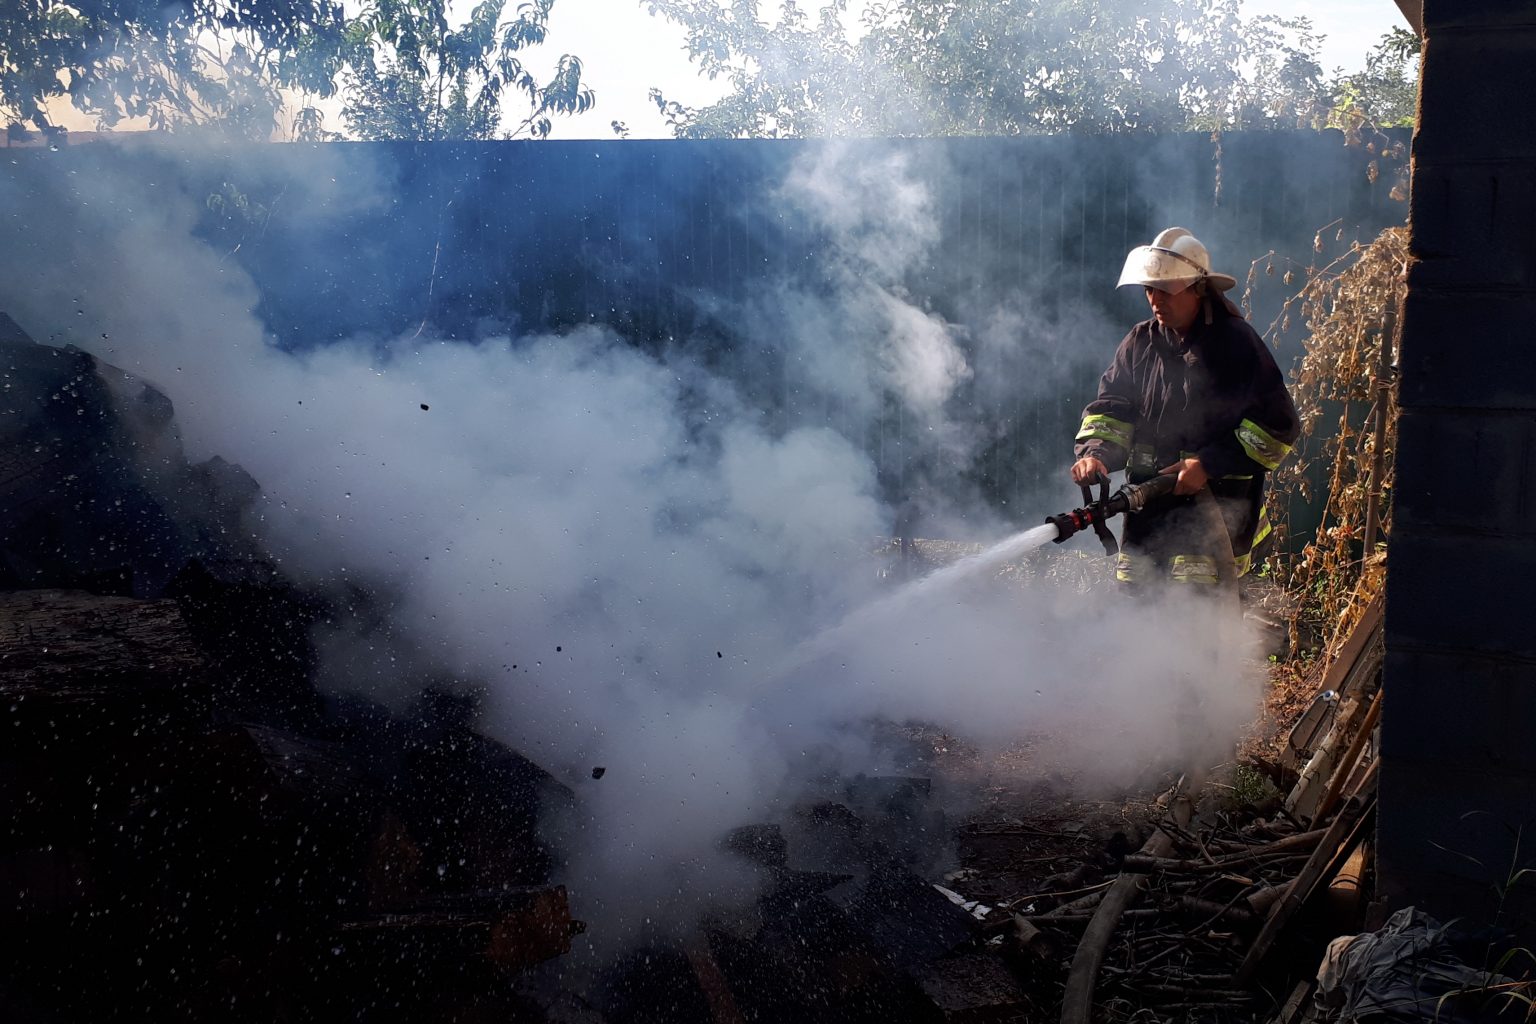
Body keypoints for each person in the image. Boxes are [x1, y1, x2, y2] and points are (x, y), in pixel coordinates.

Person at [1071, 227, 1300, 591]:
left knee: (1208, 617)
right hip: (1149, 512)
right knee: (1141, 612)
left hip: (1215, 517)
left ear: (1197, 289)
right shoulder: (1140, 342)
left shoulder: (1235, 343)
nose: (1154, 300)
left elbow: (1276, 427)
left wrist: (1208, 464)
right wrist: (1096, 454)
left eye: (1165, 290)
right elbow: (1112, 409)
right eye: (1149, 289)